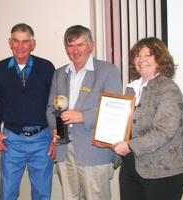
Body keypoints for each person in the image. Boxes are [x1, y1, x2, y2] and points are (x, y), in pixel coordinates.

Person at [46, 25, 122, 200]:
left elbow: (114, 108)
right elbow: (51, 108)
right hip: (64, 150)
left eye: (80, 45)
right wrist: (54, 129)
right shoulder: (59, 74)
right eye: (70, 46)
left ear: (91, 45)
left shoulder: (108, 71)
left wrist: (82, 116)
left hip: (94, 151)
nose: (75, 50)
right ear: (66, 48)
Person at [112, 37, 183, 200]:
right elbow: (126, 125)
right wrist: (107, 138)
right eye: (137, 55)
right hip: (131, 169)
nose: (141, 60)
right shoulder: (131, 89)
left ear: (160, 59)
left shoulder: (168, 89)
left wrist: (129, 146)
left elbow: (164, 131)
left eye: (148, 55)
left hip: (162, 173)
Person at [0, 23, 56, 200]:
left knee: (42, 193)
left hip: (42, 140)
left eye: (25, 42)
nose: (20, 47)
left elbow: (57, 105)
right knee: (7, 193)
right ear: (10, 42)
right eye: (16, 41)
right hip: (11, 140)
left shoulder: (46, 67)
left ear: (33, 44)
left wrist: (57, 139)